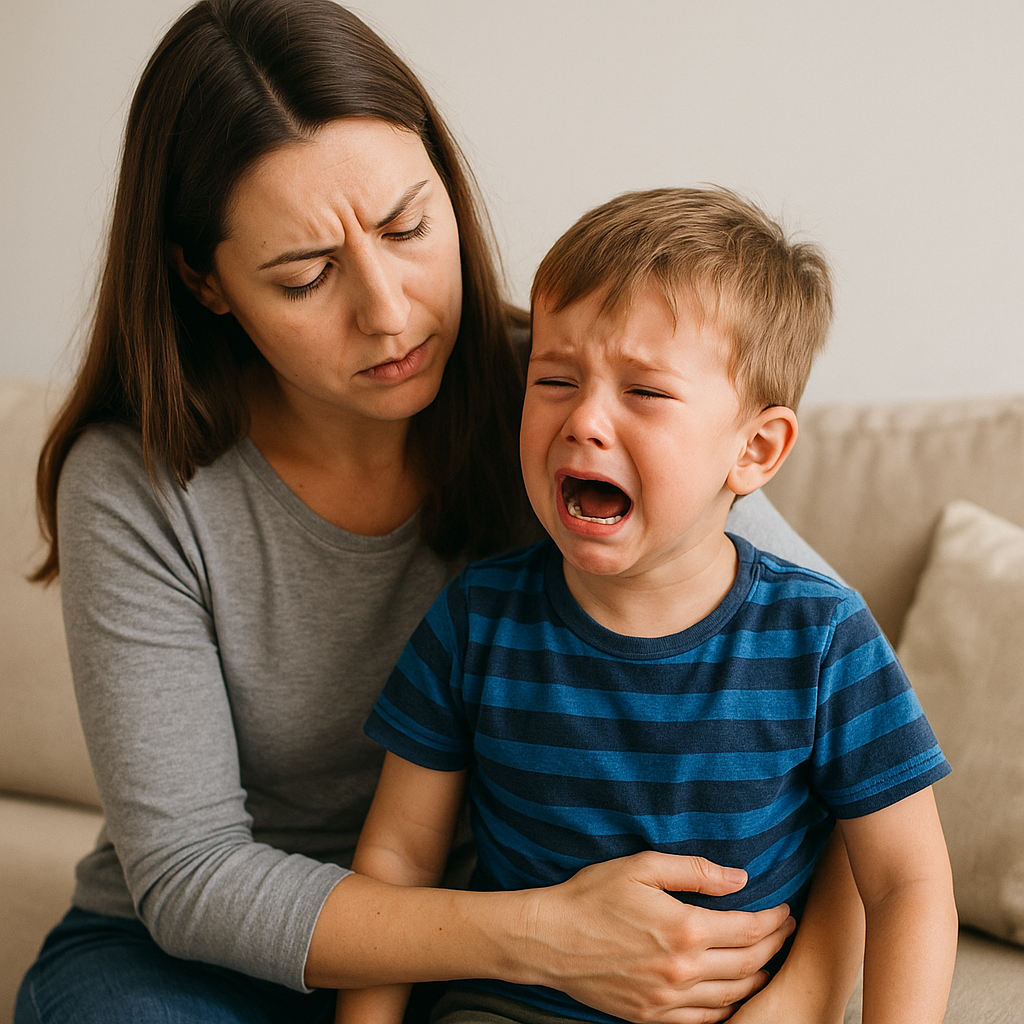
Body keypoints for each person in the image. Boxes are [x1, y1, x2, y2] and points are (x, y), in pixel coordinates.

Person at [16, 2, 863, 1021]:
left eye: (407, 228)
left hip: (498, 982)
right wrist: (545, 936)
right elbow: (190, 874)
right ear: (206, 281)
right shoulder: (136, 481)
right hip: (213, 969)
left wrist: (802, 996)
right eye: (306, 275)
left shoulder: (571, 407)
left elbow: (856, 726)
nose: (390, 311)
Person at [336, 188, 959, 1024]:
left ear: (755, 449)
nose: (584, 420)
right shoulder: (475, 620)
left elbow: (908, 883)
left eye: (646, 393)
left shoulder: (823, 639)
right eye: (555, 379)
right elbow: (397, 859)